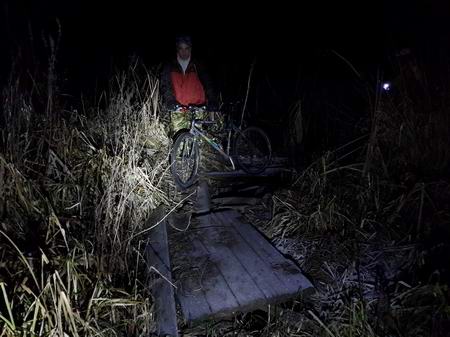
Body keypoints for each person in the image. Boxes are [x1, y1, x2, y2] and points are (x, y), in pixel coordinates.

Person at [160, 35, 218, 137]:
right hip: (178, 108)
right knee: (178, 139)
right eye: (181, 48)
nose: (184, 52)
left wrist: (212, 99)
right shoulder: (170, 65)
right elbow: (165, 85)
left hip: (197, 107)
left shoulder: (197, 64)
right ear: (177, 49)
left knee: (195, 141)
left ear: (190, 49)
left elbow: (208, 83)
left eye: (187, 48)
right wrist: (170, 101)